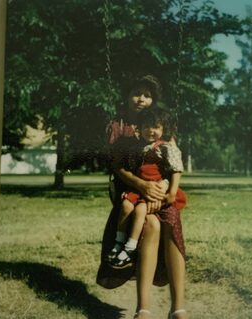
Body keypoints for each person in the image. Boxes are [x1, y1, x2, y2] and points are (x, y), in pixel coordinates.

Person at [97, 75, 188, 319]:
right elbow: (117, 166)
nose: (141, 99)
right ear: (127, 96)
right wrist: (144, 187)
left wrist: (163, 189)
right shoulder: (118, 126)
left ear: (153, 100)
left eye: (147, 95)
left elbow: (173, 163)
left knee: (173, 228)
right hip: (132, 192)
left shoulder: (163, 125)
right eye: (137, 93)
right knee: (151, 224)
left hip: (162, 192)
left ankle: (178, 307)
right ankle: (143, 308)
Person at [107, 107, 187, 270]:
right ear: (139, 129)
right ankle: (119, 240)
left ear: (163, 129)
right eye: (146, 127)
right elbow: (126, 167)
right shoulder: (137, 147)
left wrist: (171, 192)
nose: (150, 131)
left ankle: (130, 247)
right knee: (126, 206)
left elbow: (176, 169)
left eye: (156, 127)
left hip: (156, 188)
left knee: (140, 211)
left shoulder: (165, 147)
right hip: (140, 188)